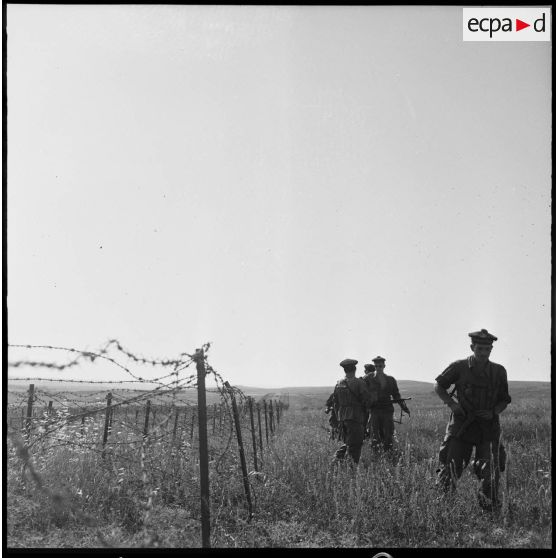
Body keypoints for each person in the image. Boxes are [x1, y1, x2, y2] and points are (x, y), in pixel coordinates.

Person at [434, 329, 511, 510]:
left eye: (487, 349)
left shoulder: (499, 371)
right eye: (480, 349)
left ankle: (489, 508)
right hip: (462, 425)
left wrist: (494, 412)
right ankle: (445, 508)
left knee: (491, 470)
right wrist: (452, 405)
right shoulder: (458, 367)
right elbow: (439, 386)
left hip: (488, 428)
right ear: (472, 347)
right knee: (450, 467)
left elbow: (504, 399)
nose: (483, 353)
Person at [331, 358, 373, 465]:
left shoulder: (339, 383)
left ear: (345, 370)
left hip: (343, 419)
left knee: (349, 442)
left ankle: (336, 462)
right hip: (355, 418)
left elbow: (335, 403)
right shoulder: (359, 383)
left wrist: (339, 418)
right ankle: (351, 469)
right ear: (355, 369)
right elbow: (367, 401)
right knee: (356, 445)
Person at [367, 355, 409, 451]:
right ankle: (376, 455)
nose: (378, 368)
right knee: (374, 434)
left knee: (388, 433)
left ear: (384, 366)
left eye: (380, 366)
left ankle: (388, 453)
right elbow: (362, 392)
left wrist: (404, 407)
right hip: (375, 410)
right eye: (376, 366)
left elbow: (396, 395)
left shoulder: (391, 380)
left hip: (387, 410)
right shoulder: (369, 379)